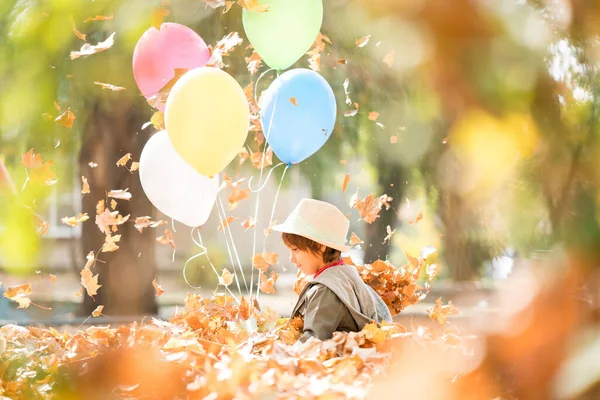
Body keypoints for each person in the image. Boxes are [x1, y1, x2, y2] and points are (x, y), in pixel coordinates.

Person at [273, 198, 392, 342]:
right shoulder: (347, 276)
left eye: (295, 250)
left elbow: (312, 343)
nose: (292, 259)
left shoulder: (325, 290)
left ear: (320, 246)